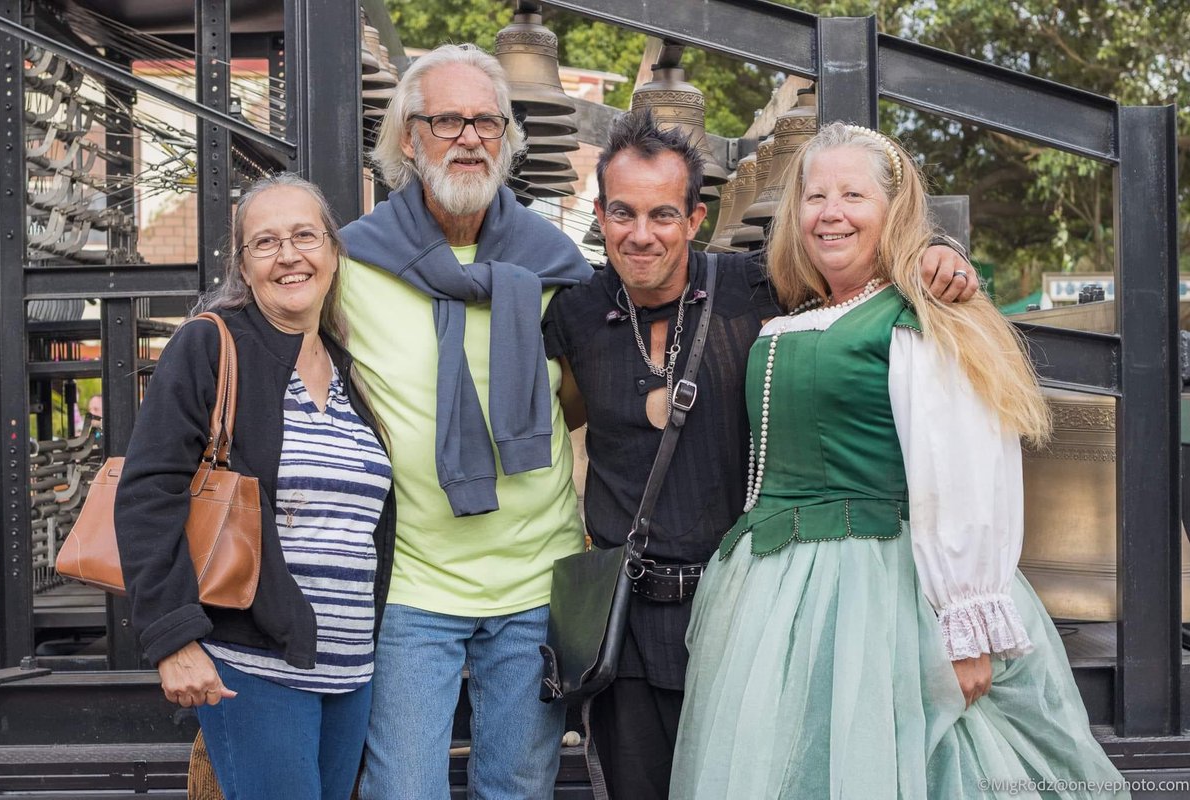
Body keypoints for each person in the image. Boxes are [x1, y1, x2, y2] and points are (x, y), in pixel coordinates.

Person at [669, 123, 1127, 798]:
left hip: (877, 588)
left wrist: (966, 621)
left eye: (853, 194)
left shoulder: (919, 315)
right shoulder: (792, 316)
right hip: (773, 590)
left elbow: (962, 468)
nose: (830, 212)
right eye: (814, 195)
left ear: (893, 210)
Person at [541, 110, 977, 800]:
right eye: (622, 213)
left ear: (695, 216)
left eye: (663, 214)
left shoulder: (759, 290)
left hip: (741, 618)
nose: (642, 234)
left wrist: (937, 250)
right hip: (622, 629)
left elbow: (853, 259)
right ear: (599, 214)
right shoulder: (573, 314)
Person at [337, 44, 593, 800]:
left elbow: (587, 396)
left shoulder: (559, 266)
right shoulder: (351, 265)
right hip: (413, 584)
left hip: (534, 581)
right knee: (403, 790)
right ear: (408, 139)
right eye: (448, 120)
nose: (471, 138)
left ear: (510, 138)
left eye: (488, 120)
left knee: (517, 788)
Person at [114, 174, 396, 800]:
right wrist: (174, 639)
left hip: (349, 669)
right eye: (265, 243)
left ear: (332, 251)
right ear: (243, 265)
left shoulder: (345, 366)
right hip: (256, 662)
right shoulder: (212, 344)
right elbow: (148, 492)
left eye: (305, 235)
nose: (289, 255)